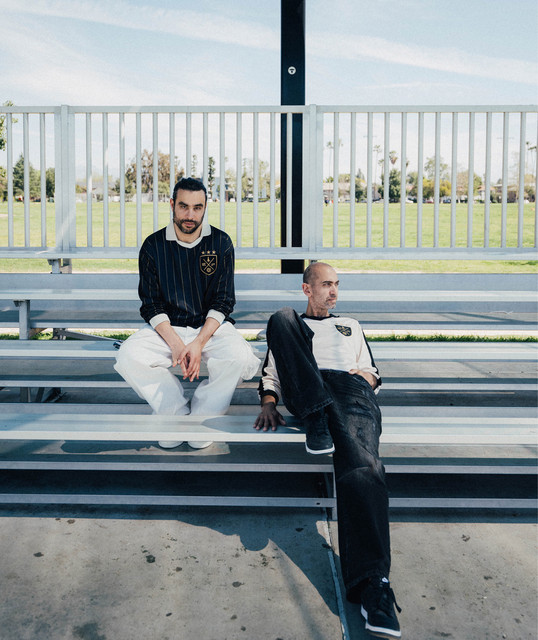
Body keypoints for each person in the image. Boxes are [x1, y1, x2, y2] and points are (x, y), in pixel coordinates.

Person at [253, 262, 401, 639]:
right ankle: (317, 414)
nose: (333, 292)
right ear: (307, 289)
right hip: (307, 387)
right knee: (280, 317)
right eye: (325, 285)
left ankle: (373, 585)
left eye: (336, 285)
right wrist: (268, 403)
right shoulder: (291, 328)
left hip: (349, 390)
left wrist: (360, 380)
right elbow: (272, 376)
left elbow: (373, 373)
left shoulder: (350, 324)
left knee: (364, 466)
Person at [115, 177, 260, 449]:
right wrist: (176, 344)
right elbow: (151, 303)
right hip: (167, 329)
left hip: (210, 328)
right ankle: (174, 413)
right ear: (172, 205)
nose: (190, 215)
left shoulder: (221, 242)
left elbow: (223, 300)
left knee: (239, 357)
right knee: (128, 355)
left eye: (197, 207)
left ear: (205, 207)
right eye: (183, 206)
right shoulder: (153, 245)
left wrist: (198, 343)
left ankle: (203, 417)